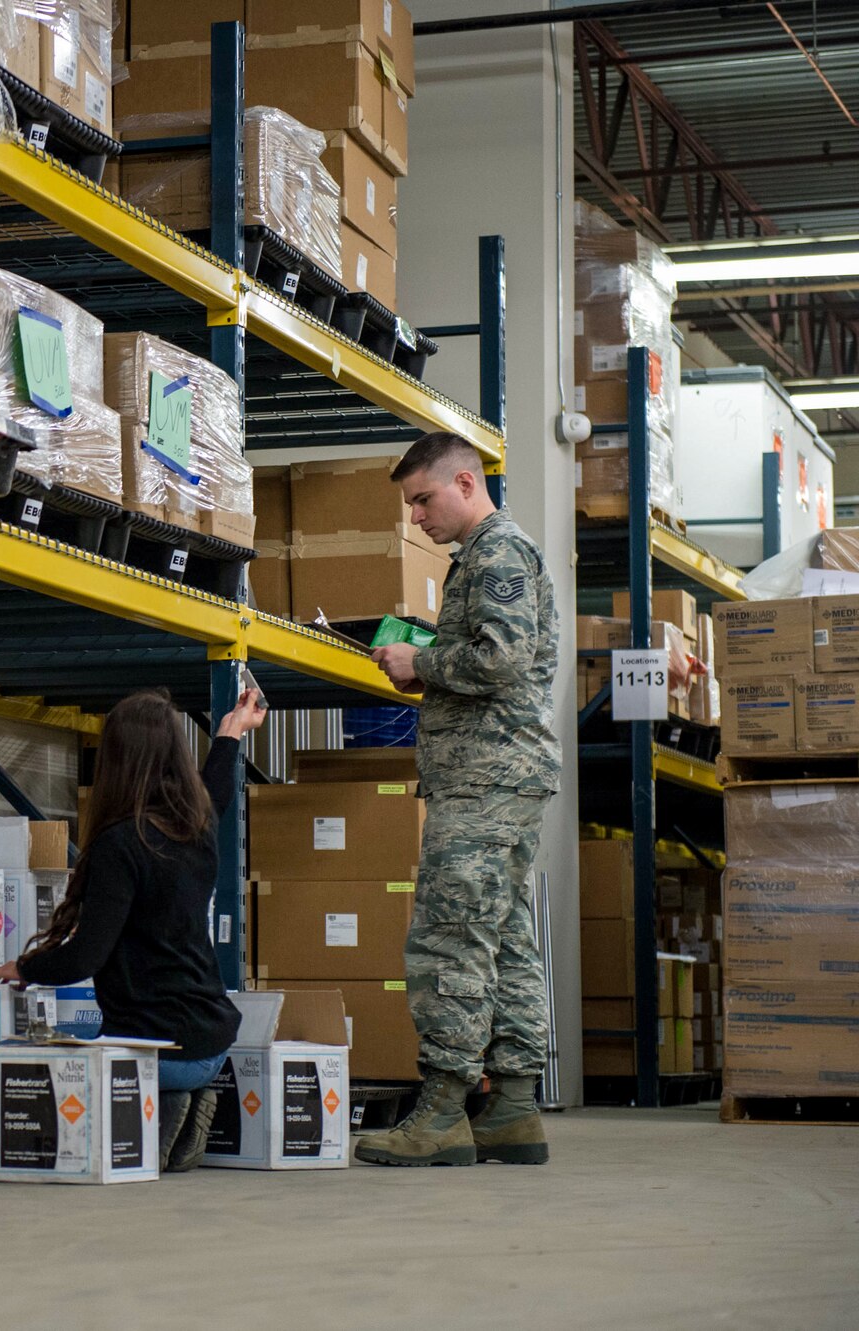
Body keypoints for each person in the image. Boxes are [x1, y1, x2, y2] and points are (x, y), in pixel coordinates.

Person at [0, 685, 269, 1172]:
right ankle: (171, 1102)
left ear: (116, 761)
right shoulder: (199, 825)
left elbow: (87, 955)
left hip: (156, 1050)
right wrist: (233, 729)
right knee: (79, 1037)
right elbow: (215, 788)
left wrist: (24, 967)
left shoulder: (122, 843)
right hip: (210, 1044)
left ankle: (148, 1102)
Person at [360, 431, 561, 1167]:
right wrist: (430, 666)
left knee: (449, 935)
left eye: (423, 498)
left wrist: (421, 661)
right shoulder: (483, 557)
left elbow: (499, 659)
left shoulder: (499, 552)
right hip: (501, 776)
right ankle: (511, 1108)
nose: (416, 516)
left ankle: (443, 1110)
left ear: (467, 483)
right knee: (502, 936)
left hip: (485, 778)